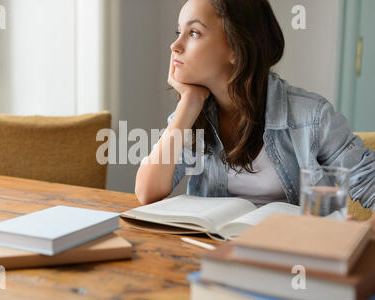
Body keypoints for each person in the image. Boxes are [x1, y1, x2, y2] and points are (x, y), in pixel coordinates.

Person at [134, 0, 374, 224]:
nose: (175, 46)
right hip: (210, 255)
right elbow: (147, 192)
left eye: (194, 33)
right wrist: (188, 103)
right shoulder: (193, 114)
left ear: (236, 49)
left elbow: (370, 183)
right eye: (179, 32)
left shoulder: (311, 117)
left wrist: (361, 238)